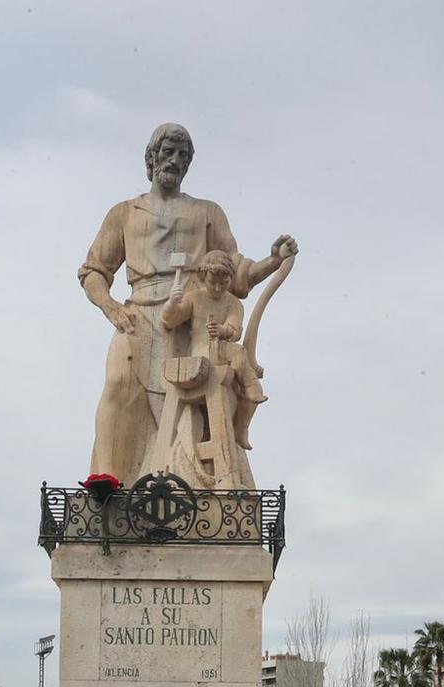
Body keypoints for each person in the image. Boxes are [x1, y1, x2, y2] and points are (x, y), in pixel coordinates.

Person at [80, 123, 295, 482]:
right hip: (137, 316)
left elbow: (236, 273)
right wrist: (112, 307)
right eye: (167, 152)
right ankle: (108, 485)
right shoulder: (124, 213)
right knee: (118, 385)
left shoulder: (207, 212)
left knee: (189, 412)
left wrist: (271, 261)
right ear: (151, 158)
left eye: (182, 155)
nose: (174, 160)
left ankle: (185, 483)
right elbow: (93, 272)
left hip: (191, 322)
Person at [160, 249, 267, 452]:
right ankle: (250, 386)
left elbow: (235, 330)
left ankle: (241, 428)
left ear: (230, 279)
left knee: (237, 354)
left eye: (224, 283)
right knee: (238, 356)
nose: (218, 287)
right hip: (201, 352)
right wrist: (172, 303)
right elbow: (170, 320)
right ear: (203, 277)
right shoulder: (194, 298)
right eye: (212, 282)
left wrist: (222, 330)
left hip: (224, 348)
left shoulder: (233, 303)